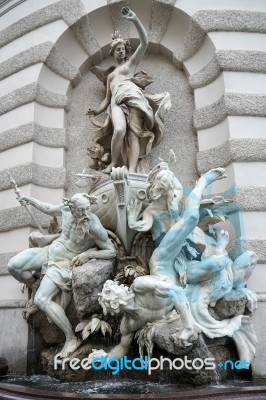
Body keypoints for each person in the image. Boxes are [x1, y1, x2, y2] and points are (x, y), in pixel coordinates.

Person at [88, 168, 227, 361]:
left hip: (163, 260)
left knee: (192, 218)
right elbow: (121, 349)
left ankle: (202, 182)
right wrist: (104, 357)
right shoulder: (127, 324)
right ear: (114, 305)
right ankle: (220, 249)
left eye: (113, 290)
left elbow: (175, 293)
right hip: (181, 276)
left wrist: (188, 328)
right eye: (112, 294)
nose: (118, 289)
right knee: (218, 264)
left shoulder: (139, 286)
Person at [8, 193, 116, 358]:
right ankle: (35, 284)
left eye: (88, 208)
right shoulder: (66, 209)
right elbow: (49, 208)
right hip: (49, 252)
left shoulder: (93, 225)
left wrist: (87, 254)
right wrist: (31, 200)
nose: (86, 213)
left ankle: (71, 337)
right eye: (81, 210)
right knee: (13, 266)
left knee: (41, 300)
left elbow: (111, 251)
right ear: (72, 208)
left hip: (62, 264)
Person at [87, 6, 171, 174]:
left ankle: (132, 170)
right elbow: (107, 98)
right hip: (117, 103)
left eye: (123, 49)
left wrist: (134, 19)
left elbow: (144, 42)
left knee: (134, 135)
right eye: (117, 49)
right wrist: (96, 111)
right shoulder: (110, 77)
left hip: (134, 98)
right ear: (113, 52)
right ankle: (113, 164)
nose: (121, 51)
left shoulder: (130, 65)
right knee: (119, 130)